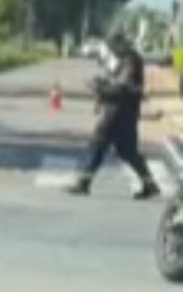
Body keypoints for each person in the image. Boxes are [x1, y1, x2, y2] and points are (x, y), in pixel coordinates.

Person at [69, 32, 160, 199]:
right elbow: (117, 82)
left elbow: (122, 88)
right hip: (125, 111)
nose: (112, 50)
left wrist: (101, 89)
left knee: (98, 144)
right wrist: (102, 83)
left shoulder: (129, 60)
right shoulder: (125, 60)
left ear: (120, 45)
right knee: (127, 151)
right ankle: (150, 184)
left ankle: (83, 182)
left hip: (118, 111)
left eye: (113, 47)